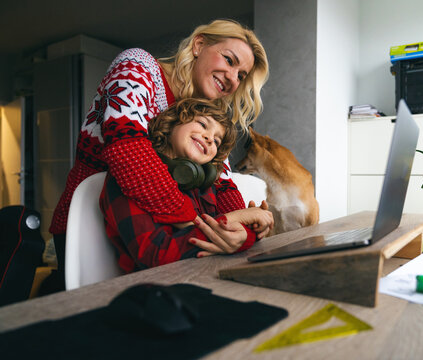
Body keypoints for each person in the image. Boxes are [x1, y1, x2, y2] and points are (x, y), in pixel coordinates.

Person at [45, 19, 269, 291]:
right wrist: (218, 224)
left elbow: (221, 183)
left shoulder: (202, 115)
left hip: (168, 239)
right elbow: (127, 150)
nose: (233, 79)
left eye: (241, 76)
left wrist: (243, 231)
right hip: (90, 225)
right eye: (230, 60)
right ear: (199, 45)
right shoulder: (138, 66)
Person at [100, 98, 273, 273]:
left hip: (208, 275)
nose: (209, 138)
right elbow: (157, 257)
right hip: (155, 288)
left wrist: (249, 232)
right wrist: (237, 219)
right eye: (202, 124)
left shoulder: (205, 186)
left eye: (217, 141)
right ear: (171, 123)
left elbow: (233, 234)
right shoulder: (132, 176)